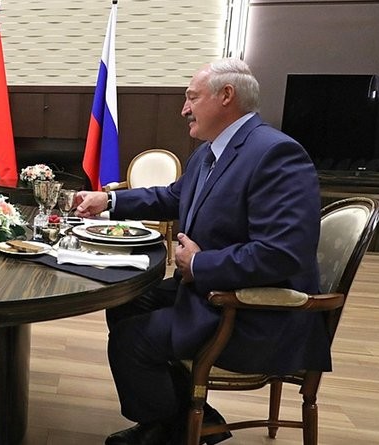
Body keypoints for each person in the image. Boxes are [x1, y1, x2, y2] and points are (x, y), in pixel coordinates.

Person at [74, 59, 331, 445]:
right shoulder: (212, 152)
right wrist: (107, 200)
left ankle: (165, 429)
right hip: (207, 295)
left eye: (191, 97)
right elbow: (171, 197)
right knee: (126, 301)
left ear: (226, 96)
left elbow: (282, 254)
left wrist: (199, 263)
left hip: (252, 314)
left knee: (132, 340)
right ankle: (183, 417)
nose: (184, 108)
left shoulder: (276, 154)